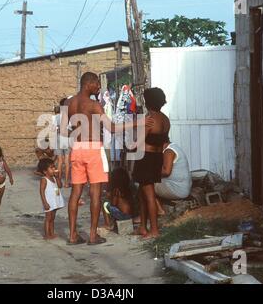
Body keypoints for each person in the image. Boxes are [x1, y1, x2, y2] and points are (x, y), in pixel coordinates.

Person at [63, 72, 150, 245]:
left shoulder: (68, 103)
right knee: (96, 192)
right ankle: (93, 236)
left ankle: (73, 235)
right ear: (88, 84)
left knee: (75, 193)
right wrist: (138, 122)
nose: (99, 87)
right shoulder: (94, 105)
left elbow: (64, 131)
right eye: (96, 84)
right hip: (93, 150)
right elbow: (112, 128)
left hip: (76, 149)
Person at [133, 87, 170, 239]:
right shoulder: (165, 120)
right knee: (143, 194)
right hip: (156, 157)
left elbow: (137, 143)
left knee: (148, 195)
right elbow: (165, 142)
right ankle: (142, 226)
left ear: (148, 102)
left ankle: (154, 230)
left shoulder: (149, 119)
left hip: (145, 158)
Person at [155, 137, 192, 205]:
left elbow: (166, 172)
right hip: (182, 188)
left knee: (143, 183)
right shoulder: (173, 146)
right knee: (147, 180)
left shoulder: (168, 151)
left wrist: (149, 171)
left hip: (178, 190)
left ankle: (159, 209)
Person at [38, 158, 65, 240]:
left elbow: (60, 186)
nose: (54, 169)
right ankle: (47, 234)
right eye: (51, 168)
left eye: (54, 167)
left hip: (55, 202)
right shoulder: (44, 180)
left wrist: (57, 178)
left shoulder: (54, 178)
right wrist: (45, 203)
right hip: (49, 202)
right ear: (45, 171)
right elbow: (41, 192)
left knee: (52, 218)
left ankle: (51, 233)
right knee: (48, 218)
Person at [53, 98, 71, 188]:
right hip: (66, 138)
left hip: (58, 138)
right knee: (67, 162)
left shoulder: (55, 117)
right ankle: (67, 183)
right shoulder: (69, 116)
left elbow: (53, 129)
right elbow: (71, 129)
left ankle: (58, 181)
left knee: (60, 161)